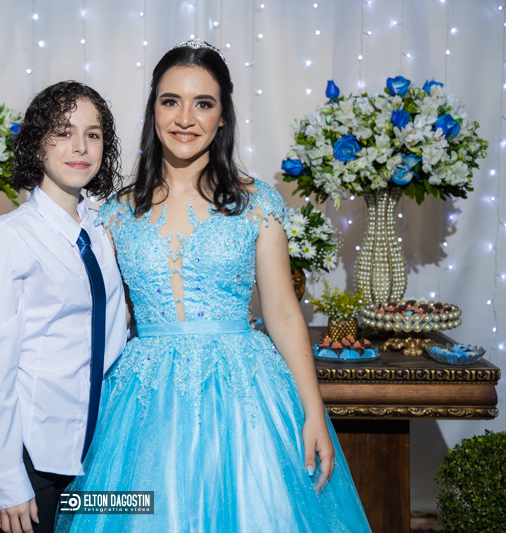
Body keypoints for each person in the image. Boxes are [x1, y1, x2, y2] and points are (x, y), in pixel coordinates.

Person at [55, 41, 371, 532]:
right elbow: (101, 316)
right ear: (154, 110)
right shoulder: (115, 212)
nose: (185, 118)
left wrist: (313, 411)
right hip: (144, 407)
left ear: (222, 117)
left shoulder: (256, 203)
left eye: (203, 103)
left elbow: (283, 313)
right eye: (171, 101)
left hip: (248, 401)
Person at [0, 81, 126, 533]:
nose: (80, 147)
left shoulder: (104, 229)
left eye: (93, 134)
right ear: (38, 144)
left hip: (92, 449)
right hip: (26, 455)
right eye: (63, 132)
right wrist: (6, 477)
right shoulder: (7, 238)